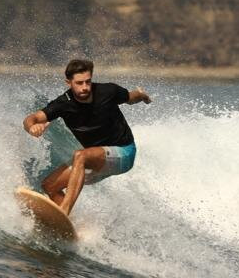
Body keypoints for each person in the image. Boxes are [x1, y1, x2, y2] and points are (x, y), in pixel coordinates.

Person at [22, 59, 151, 215]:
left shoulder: (107, 91)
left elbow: (130, 97)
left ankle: (65, 210)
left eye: (88, 82)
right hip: (97, 161)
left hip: (124, 153)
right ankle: (71, 224)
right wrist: (32, 127)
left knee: (80, 156)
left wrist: (141, 95)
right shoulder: (63, 104)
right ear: (68, 82)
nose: (85, 87)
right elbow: (32, 118)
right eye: (79, 83)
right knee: (50, 186)